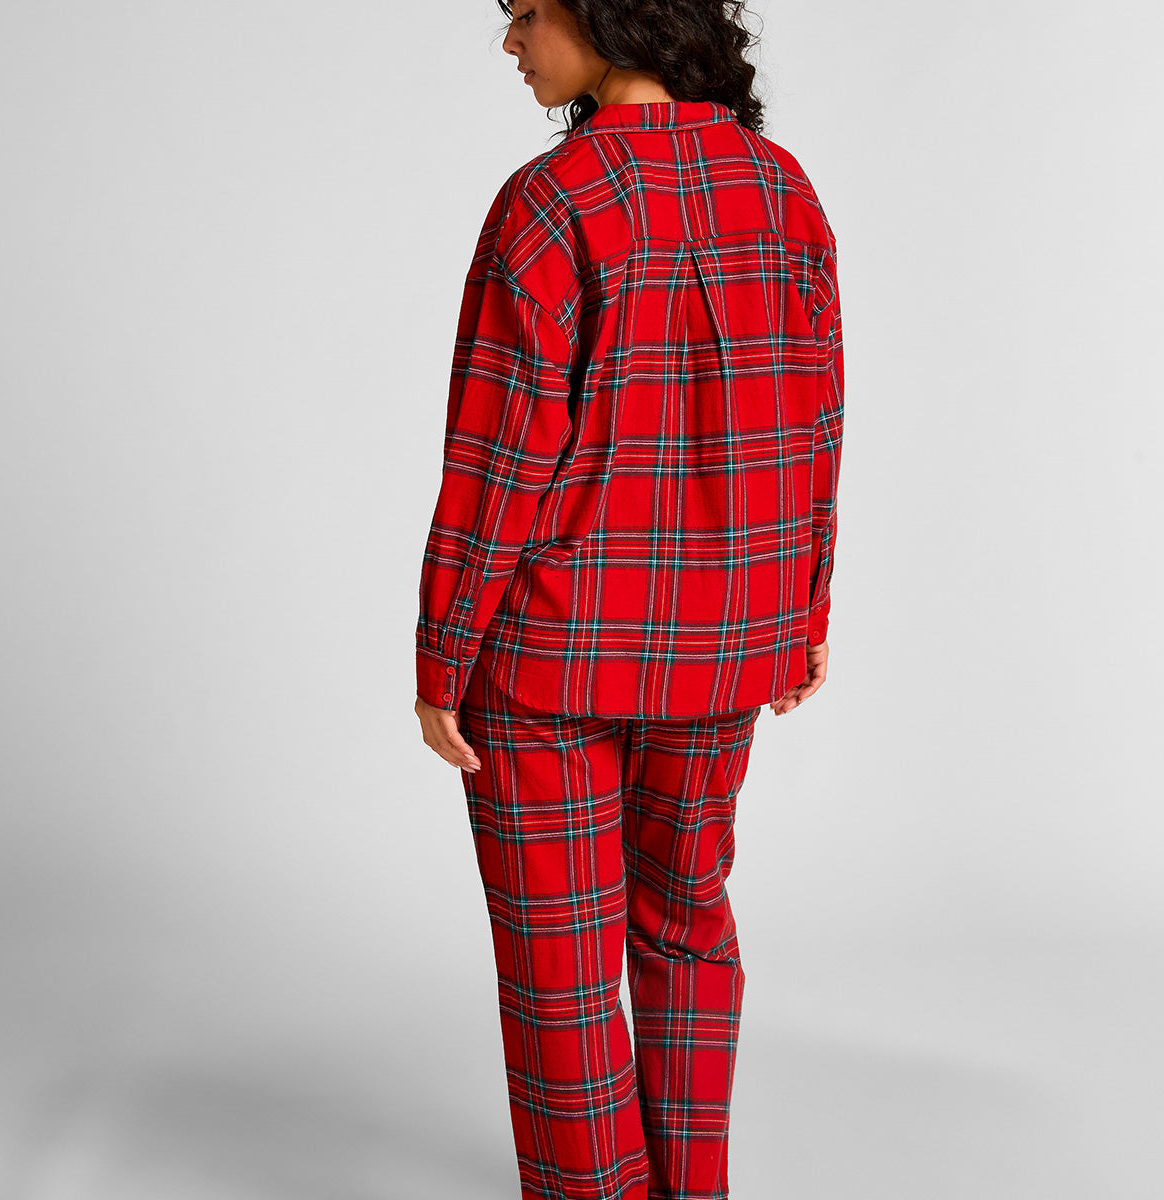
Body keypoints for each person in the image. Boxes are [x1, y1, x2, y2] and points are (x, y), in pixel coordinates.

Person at [414, 1, 844, 1196]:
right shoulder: (781, 189)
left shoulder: (552, 202)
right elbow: (814, 417)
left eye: (525, 11)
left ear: (607, 10)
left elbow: (499, 455)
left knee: (560, 964)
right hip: (724, 646)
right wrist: (804, 609)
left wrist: (443, 653)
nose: (510, 42)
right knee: (686, 921)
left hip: (549, 656)